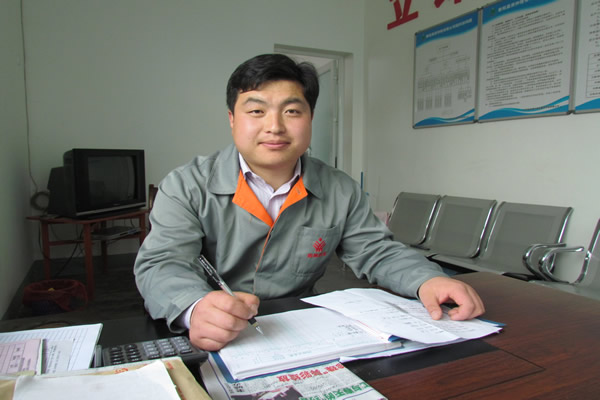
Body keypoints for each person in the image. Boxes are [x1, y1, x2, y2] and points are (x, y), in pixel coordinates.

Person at [134, 53, 484, 351]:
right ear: (232, 119)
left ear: (310, 118)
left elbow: (377, 251)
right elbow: (162, 263)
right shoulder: (186, 185)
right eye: (256, 111)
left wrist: (427, 280)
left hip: (302, 331)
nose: (274, 126)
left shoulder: (340, 189)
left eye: (291, 111)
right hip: (212, 334)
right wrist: (195, 307)